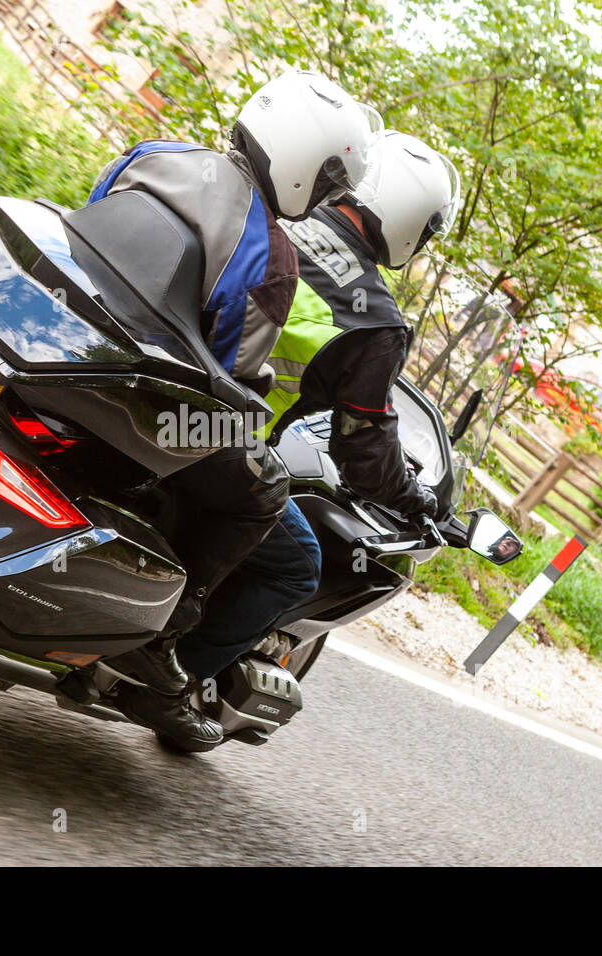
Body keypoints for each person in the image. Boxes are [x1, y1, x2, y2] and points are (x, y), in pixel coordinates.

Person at [93, 71, 381, 750]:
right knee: (282, 531)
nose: (331, 197)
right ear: (310, 171)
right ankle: (162, 649)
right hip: (146, 409)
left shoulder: (155, 153)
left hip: (70, 347)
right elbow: (228, 382)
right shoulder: (270, 254)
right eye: (332, 182)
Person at [175, 129, 462, 685]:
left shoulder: (272, 210)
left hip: (160, 383)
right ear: (408, 219)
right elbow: (364, 448)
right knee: (296, 566)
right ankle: (175, 677)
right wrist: (415, 498)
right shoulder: (375, 320)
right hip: (217, 435)